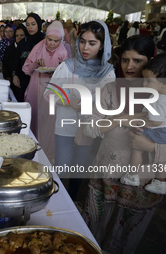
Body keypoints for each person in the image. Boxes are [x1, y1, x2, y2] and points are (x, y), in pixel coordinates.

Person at [82, 35, 166, 254]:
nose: (129, 66)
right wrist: (116, 120)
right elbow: (88, 127)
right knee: (91, 234)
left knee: (124, 239)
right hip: (106, 172)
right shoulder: (111, 89)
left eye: (137, 61)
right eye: (124, 60)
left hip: (143, 181)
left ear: (150, 61)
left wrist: (152, 148)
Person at [45, 20, 115, 198]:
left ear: (102, 45)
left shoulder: (108, 72)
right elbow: (49, 93)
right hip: (65, 127)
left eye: (92, 43)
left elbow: (106, 103)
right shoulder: (67, 66)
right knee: (62, 167)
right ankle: (58, 201)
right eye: (82, 41)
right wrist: (69, 102)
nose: (85, 47)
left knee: (79, 169)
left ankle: (73, 201)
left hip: (88, 129)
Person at [120, 54, 166, 194]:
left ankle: (132, 176)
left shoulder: (157, 99)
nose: (145, 84)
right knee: (163, 159)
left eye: (149, 81)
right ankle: (160, 182)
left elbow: (156, 121)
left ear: (165, 83)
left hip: (159, 130)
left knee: (137, 147)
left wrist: (143, 122)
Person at [23, 20, 68, 161]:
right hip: (36, 87)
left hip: (52, 91)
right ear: (45, 37)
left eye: (56, 41)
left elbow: (66, 77)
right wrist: (36, 63)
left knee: (49, 124)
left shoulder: (63, 51)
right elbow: (26, 69)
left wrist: (57, 72)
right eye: (49, 39)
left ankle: (47, 156)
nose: (52, 44)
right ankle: (31, 151)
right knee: (34, 119)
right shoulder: (38, 47)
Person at [12, 13, 44, 102]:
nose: (30, 27)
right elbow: (16, 60)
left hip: (40, 80)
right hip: (24, 80)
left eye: (33, 24)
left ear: (39, 24)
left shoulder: (45, 41)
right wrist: (14, 75)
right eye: (28, 25)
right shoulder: (23, 42)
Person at [2, 24, 29, 101]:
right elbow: (5, 65)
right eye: (17, 35)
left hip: (26, 82)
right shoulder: (10, 49)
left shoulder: (29, 48)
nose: (19, 38)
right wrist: (8, 78)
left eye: (22, 35)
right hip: (13, 83)